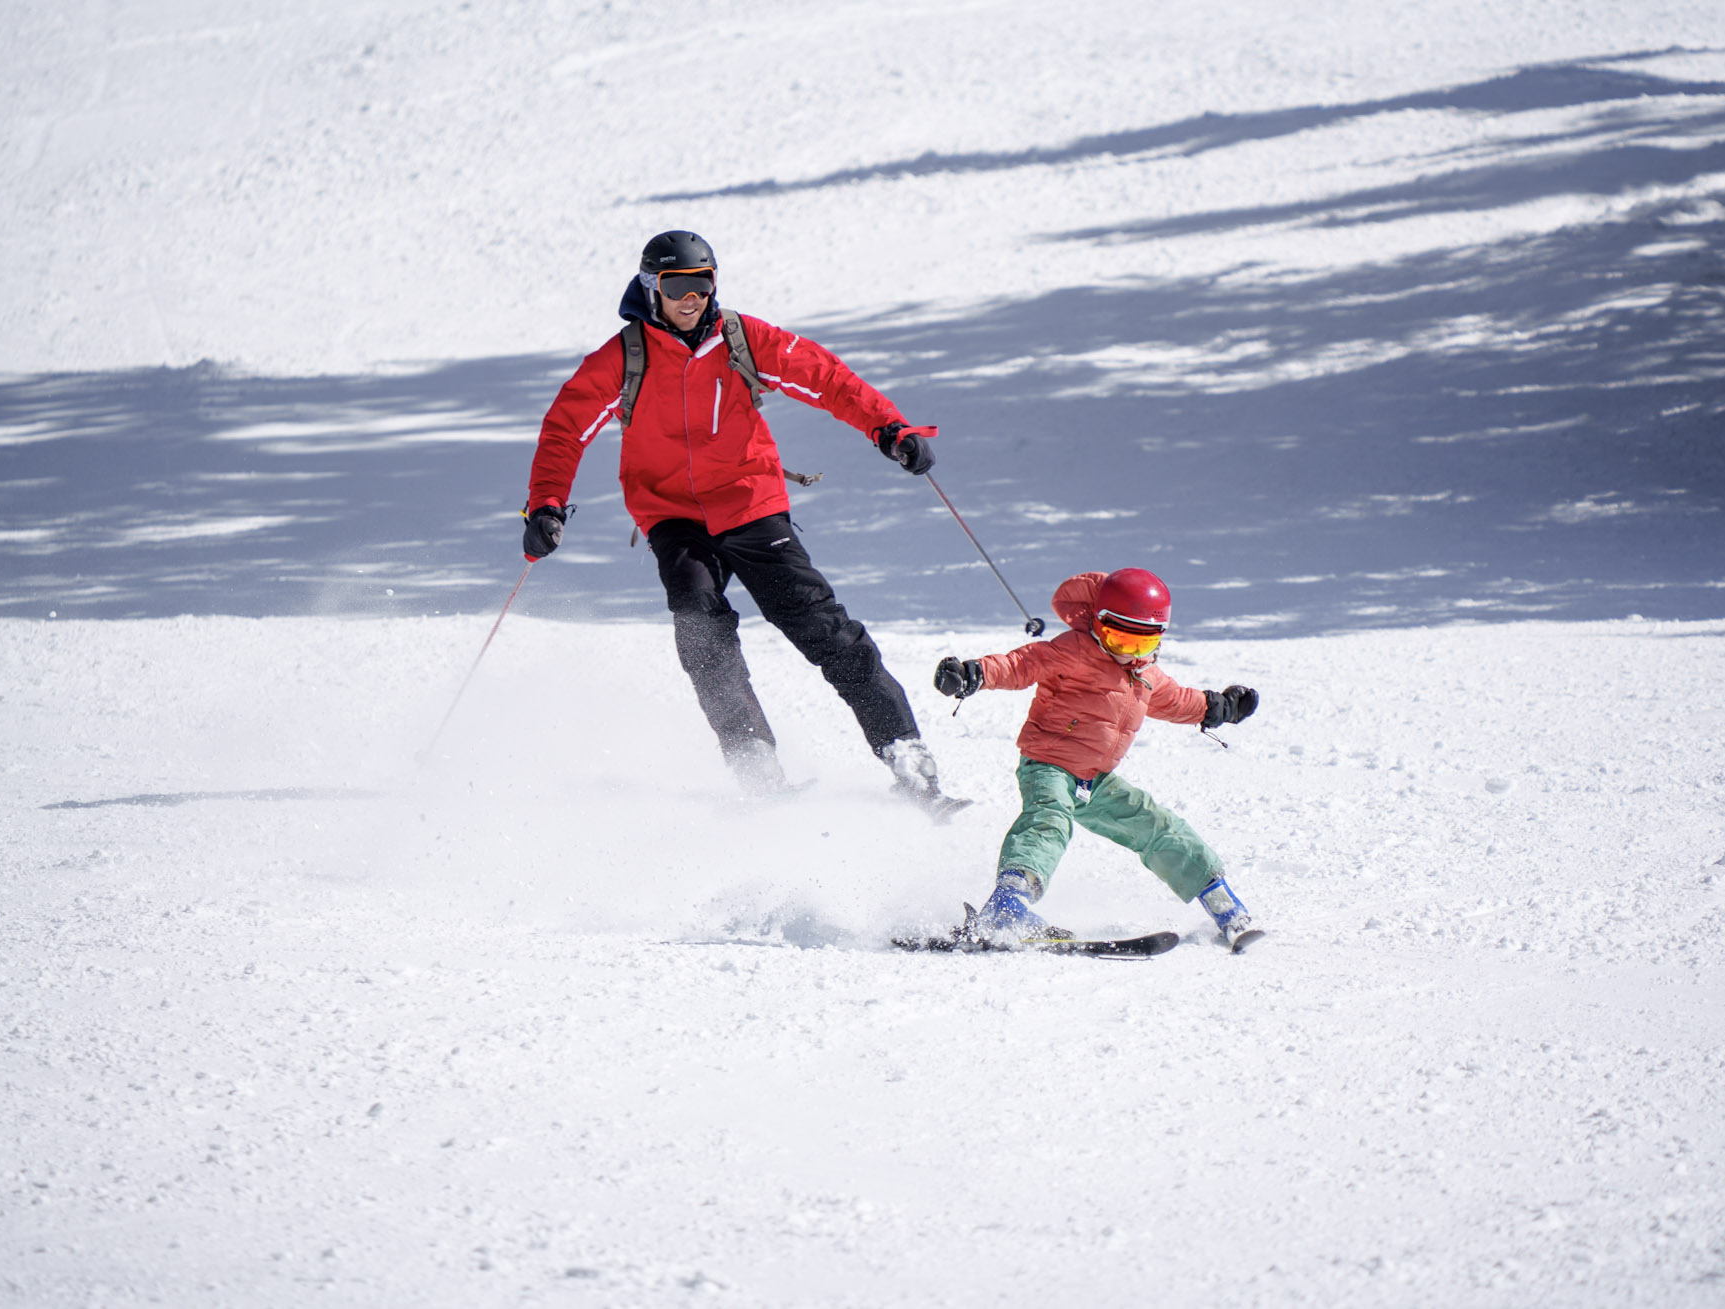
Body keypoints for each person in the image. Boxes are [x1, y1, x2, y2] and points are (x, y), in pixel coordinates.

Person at [522, 229, 961, 814]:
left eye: (703, 284)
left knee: (825, 630)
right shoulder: (623, 358)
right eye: (678, 285)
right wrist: (546, 505)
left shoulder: (741, 339)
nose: (692, 298)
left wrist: (890, 428)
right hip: (673, 514)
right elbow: (564, 428)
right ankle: (757, 769)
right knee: (700, 630)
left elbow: (825, 378)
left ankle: (908, 761)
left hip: (751, 503)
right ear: (652, 286)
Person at [932, 567, 1264, 950]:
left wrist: (1219, 707)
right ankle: (1008, 906)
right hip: (1049, 765)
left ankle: (1224, 906)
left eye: (1140, 645)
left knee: (1157, 826)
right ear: (1097, 623)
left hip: (1096, 780)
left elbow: (1179, 701)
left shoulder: (1145, 674)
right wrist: (972, 674)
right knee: (1048, 821)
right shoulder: (1071, 651)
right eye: (1117, 639)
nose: (1128, 653)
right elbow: (1021, 663)